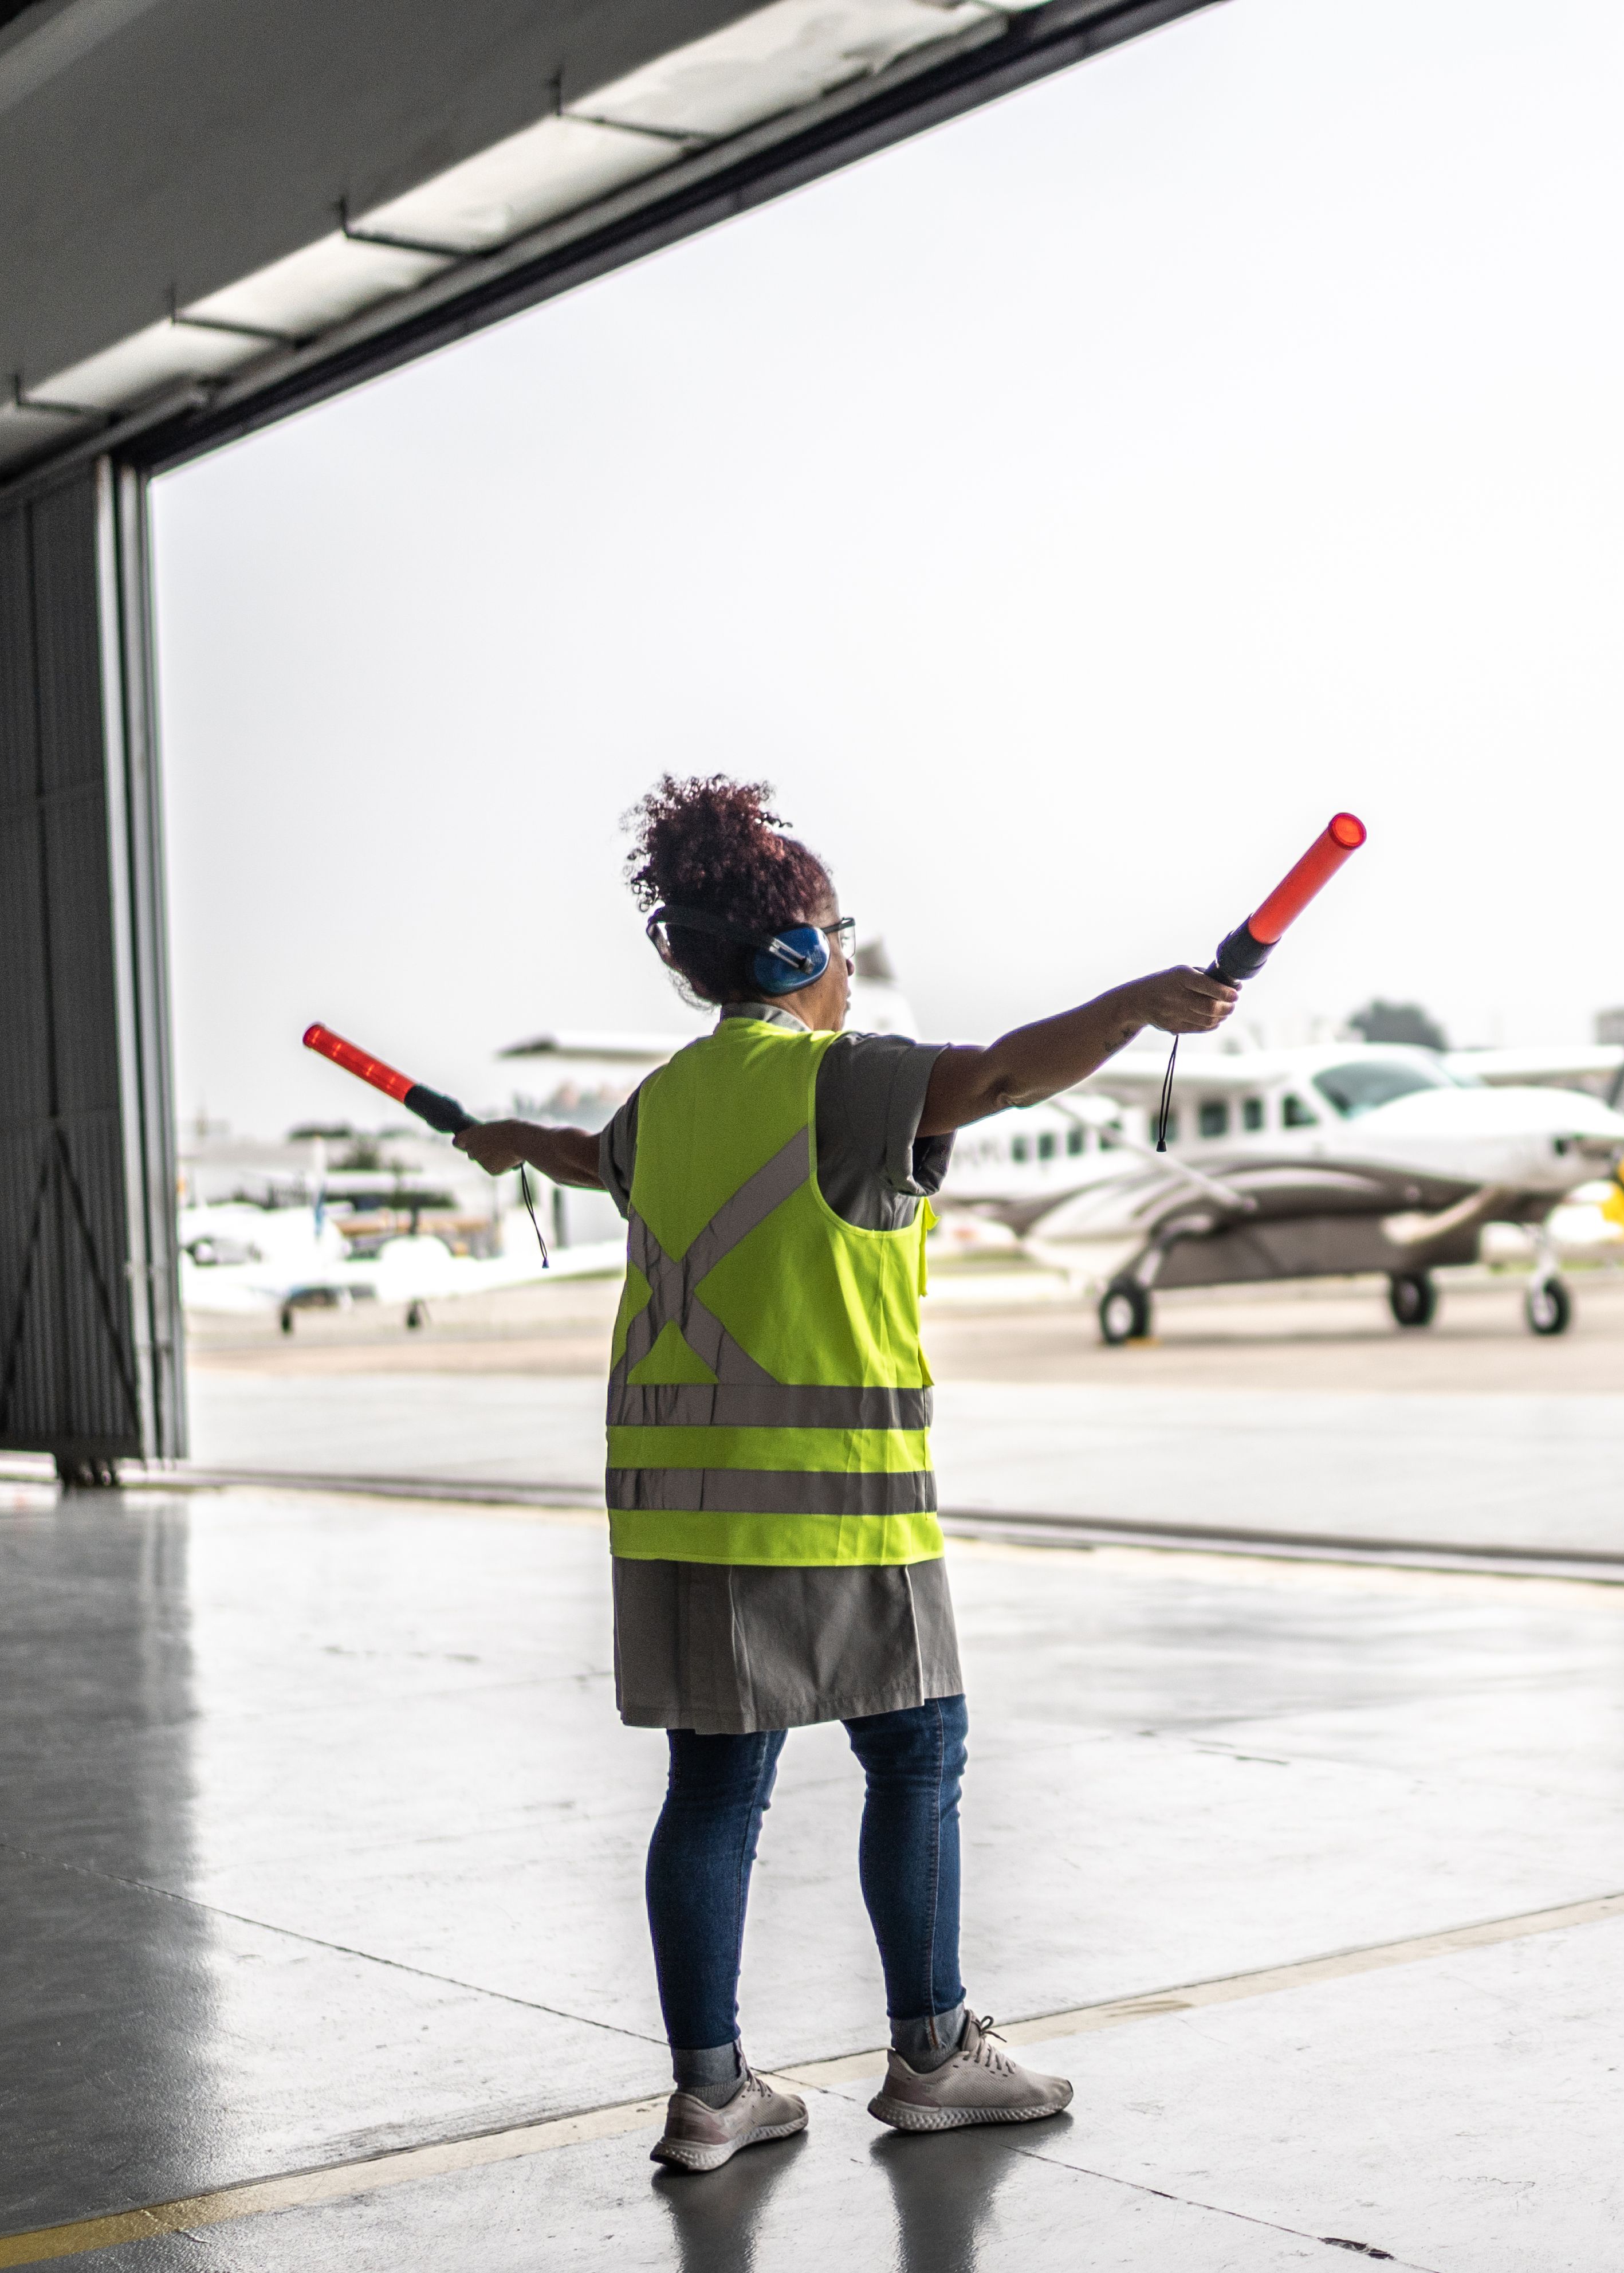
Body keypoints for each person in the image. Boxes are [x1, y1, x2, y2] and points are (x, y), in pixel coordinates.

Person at [460, 776, 1234, 2172]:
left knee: (713, 1788)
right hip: (834, 1503)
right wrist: (1135, 1004)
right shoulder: (842, 1079)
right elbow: (997, 1074)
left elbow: (587, 1160)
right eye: (838, 926)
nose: (851, 951)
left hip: (676, 1518)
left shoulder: (665, 1101)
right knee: (915, 1752)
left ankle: (711, 2094)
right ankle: (933, 2054)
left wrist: (507, 1141)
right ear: (793, 953)